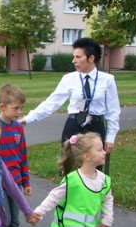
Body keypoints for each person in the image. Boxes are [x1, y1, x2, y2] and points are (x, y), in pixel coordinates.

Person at [21, 37, 120, 170]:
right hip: (74, 126)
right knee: (70, 169)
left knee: (94, 170)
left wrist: (110, 137)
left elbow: (113, 111)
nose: (74, 61)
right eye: (74, 57)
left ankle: (92, 191)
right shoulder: (69, 79)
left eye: (78, 57)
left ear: (91, 58)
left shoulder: (107, 80)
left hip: (96, 128)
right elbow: (51, 103)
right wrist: (28, 119)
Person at [0, 84, 31, 227]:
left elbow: (22, 157)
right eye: (15, 108)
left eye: (21, 108)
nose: (19, 112)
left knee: (15, 222)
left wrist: (26, 181)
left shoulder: (18, 129)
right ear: (2, 106)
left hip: (15, 184)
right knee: (4, 220)